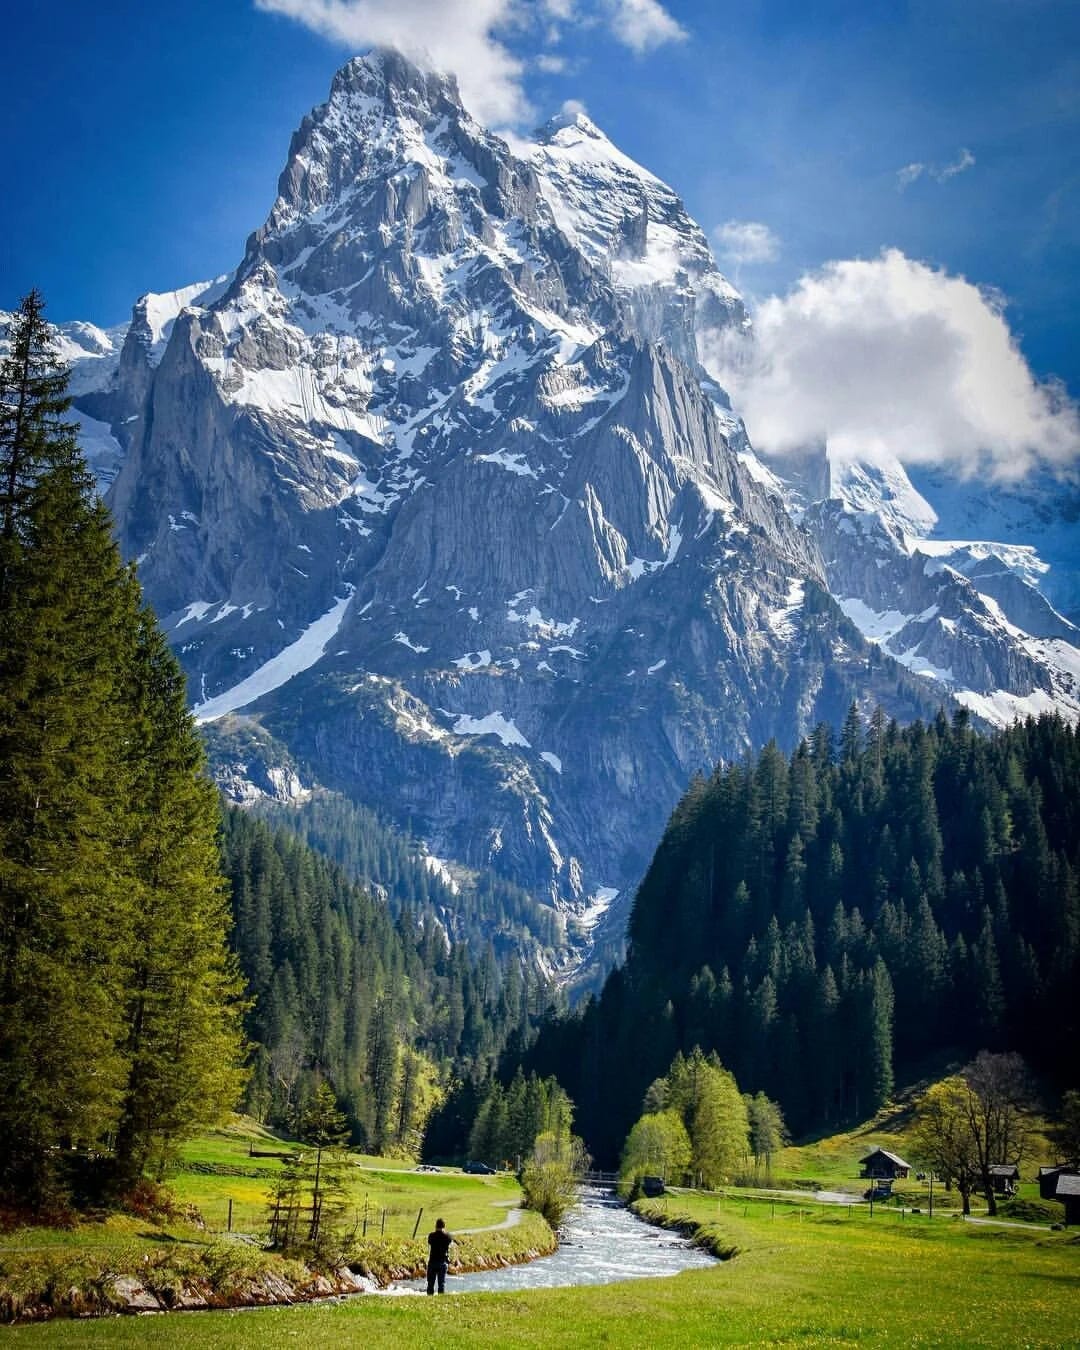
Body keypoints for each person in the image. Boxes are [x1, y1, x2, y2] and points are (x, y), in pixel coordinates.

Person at [426, 1216, 453, 1295]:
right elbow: (449, 1240)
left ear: (436, 1226)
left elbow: (430, 1242)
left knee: (430, 1284)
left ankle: (430, 1298)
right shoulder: (447, 1236)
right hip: (442, 1262)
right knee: (441, 1284)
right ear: (444, 1226)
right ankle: (441, 1299)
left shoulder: (431, 1236)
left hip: (432, 1262)